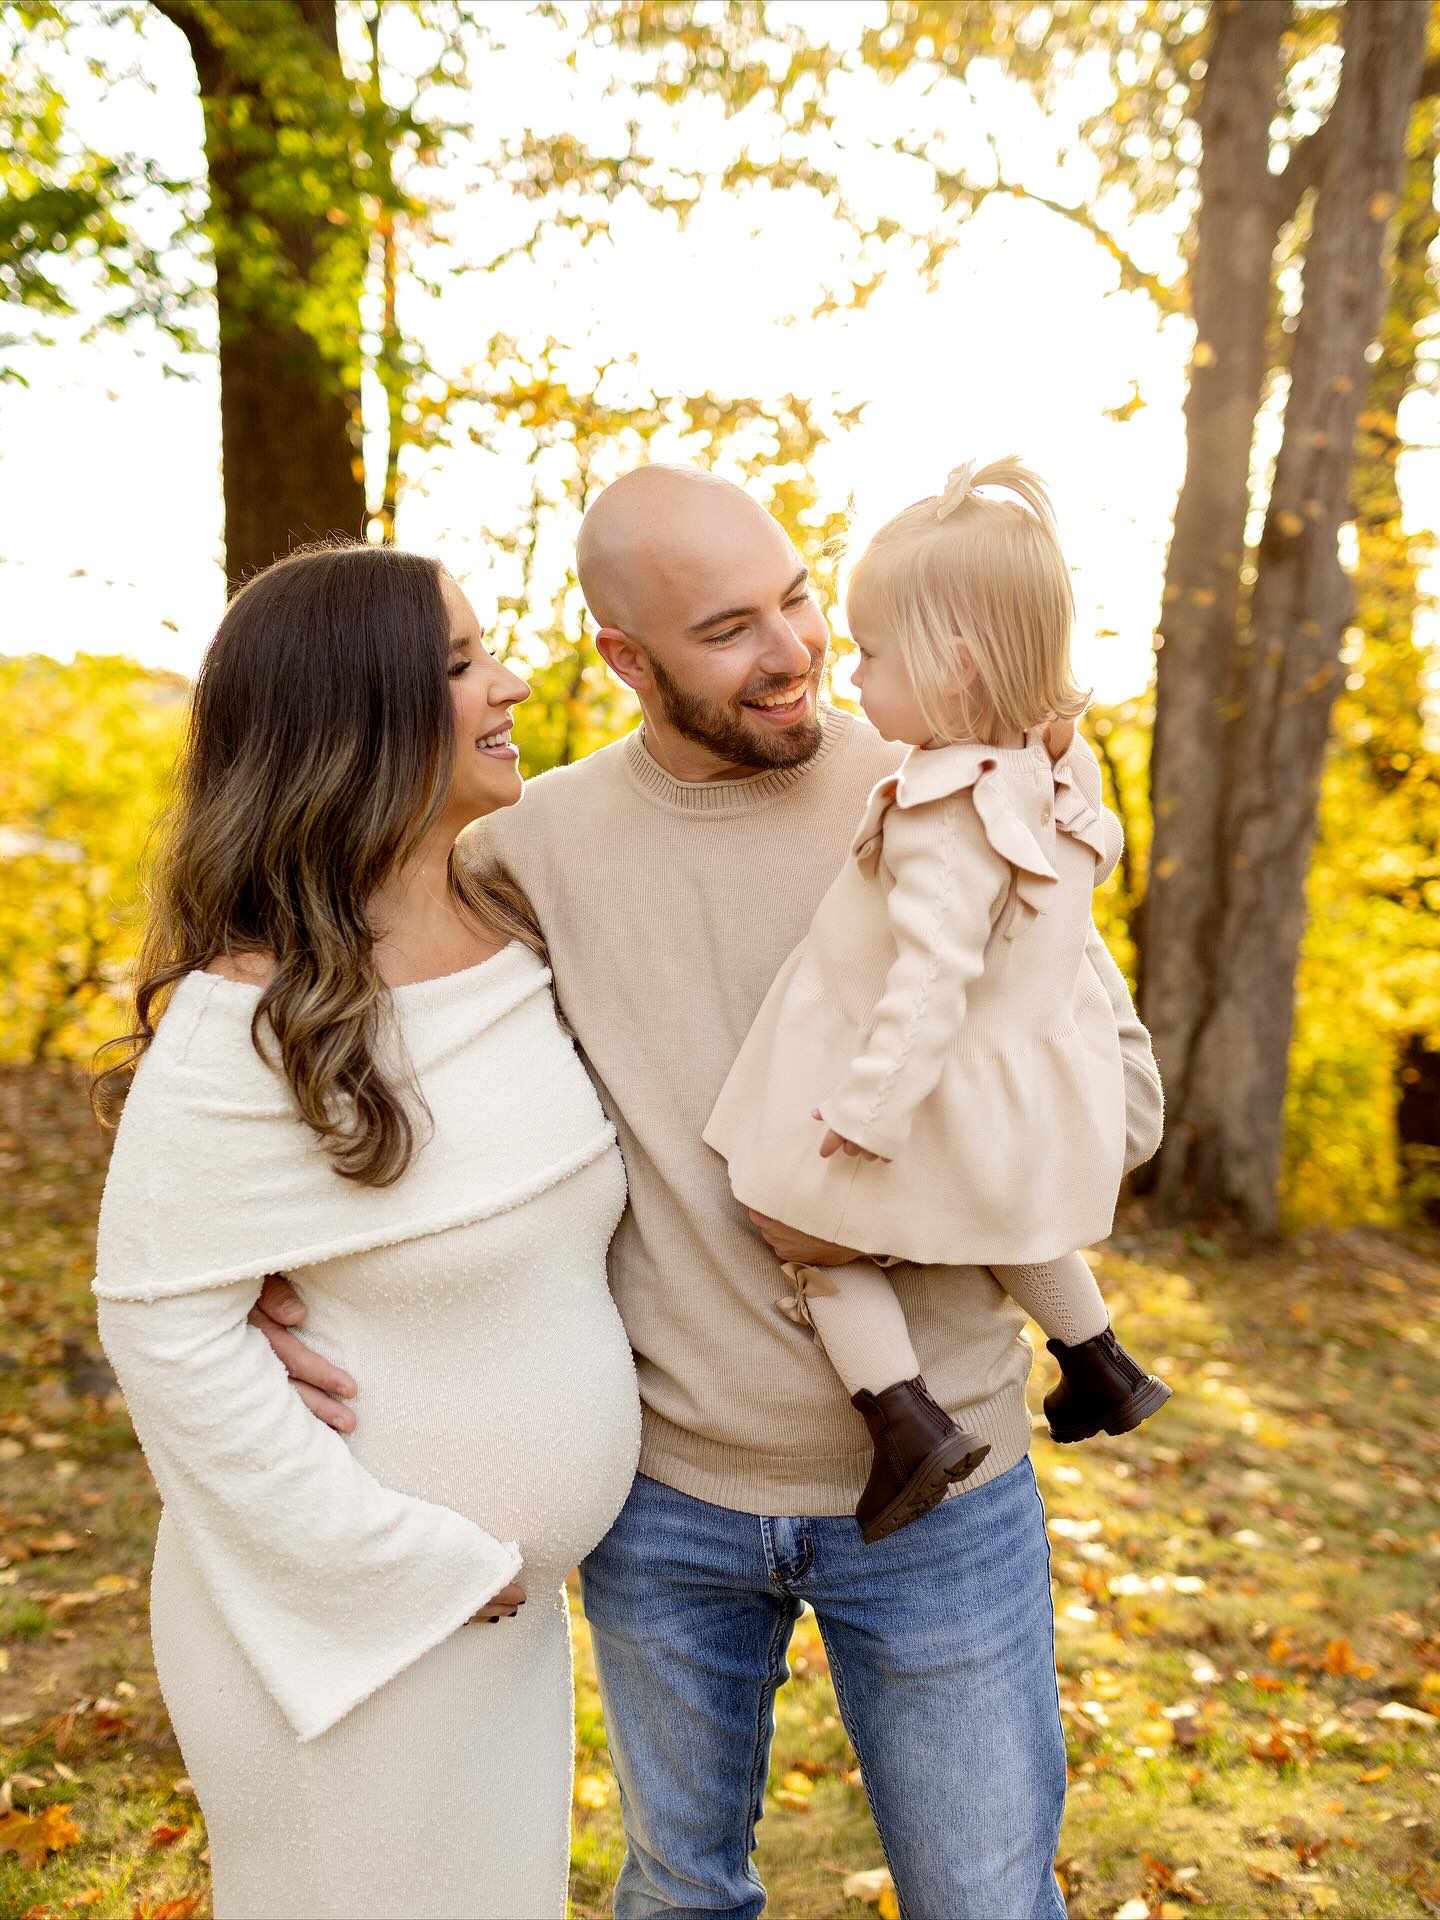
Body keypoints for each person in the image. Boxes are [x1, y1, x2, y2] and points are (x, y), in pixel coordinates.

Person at [256, 467, 1163, 1920]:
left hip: (957, 1490)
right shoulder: (522, 855)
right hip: (664, 1493)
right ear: (627, 656)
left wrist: (853, 1196)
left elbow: (1120, 1107)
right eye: (732, 627)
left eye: (800, 599)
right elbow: (311, 989)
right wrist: (260, 1275)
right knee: (678, 1891)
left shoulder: (948, 788)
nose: (796, 649)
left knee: (987, 1898)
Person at [91, 543, 641, 1920]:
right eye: (460, 664)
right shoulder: (252, 1016)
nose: (509, 683)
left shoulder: (516, 925)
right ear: (356, 718)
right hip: (346, 1635)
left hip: (503, 1629)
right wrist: (421, 1572)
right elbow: (162, 1326)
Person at [704, 457, 1170, 1546]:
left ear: (953, 669)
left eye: (871, 655)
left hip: (918, 1090)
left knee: (803, 1234)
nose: (849, 676)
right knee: (1008, 1219)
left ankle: (903, 1420)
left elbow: (929, 980)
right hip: (1010, 1085)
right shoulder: (1057, 772)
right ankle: (1099, 1360)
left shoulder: (945, 811)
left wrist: (865, 1112)